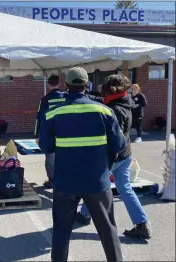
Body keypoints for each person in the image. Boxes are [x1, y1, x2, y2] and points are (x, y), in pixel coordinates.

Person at [39, 67, 126, 262]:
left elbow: (45, 146)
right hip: (97, 183)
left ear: (67, 86)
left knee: (61, 232)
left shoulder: (53, 113)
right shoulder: (104, 111)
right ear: (87, 86)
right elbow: (119, 145)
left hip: (65, 183)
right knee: (108, 231)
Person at [76, 75, 152, 240]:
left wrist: (105, 163)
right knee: (124, 188)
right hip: (125, 154)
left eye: (105, 86)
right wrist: (82, 95)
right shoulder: (122, 101)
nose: (102, 89)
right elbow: (101, 99)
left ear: (112, 90)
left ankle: (85, 214)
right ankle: (142, 224)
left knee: (93, 184)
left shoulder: (116, 110)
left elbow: (114, 141)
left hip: (114, 156)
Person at [34, 75, 66, 188]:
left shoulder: (45, 99)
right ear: (59, 83)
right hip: (66, 131)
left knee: (50, 157)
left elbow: (39, 118)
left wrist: (37, 135)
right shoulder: (66, 97)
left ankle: (52, 181)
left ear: (48, 84)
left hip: (50, 133)